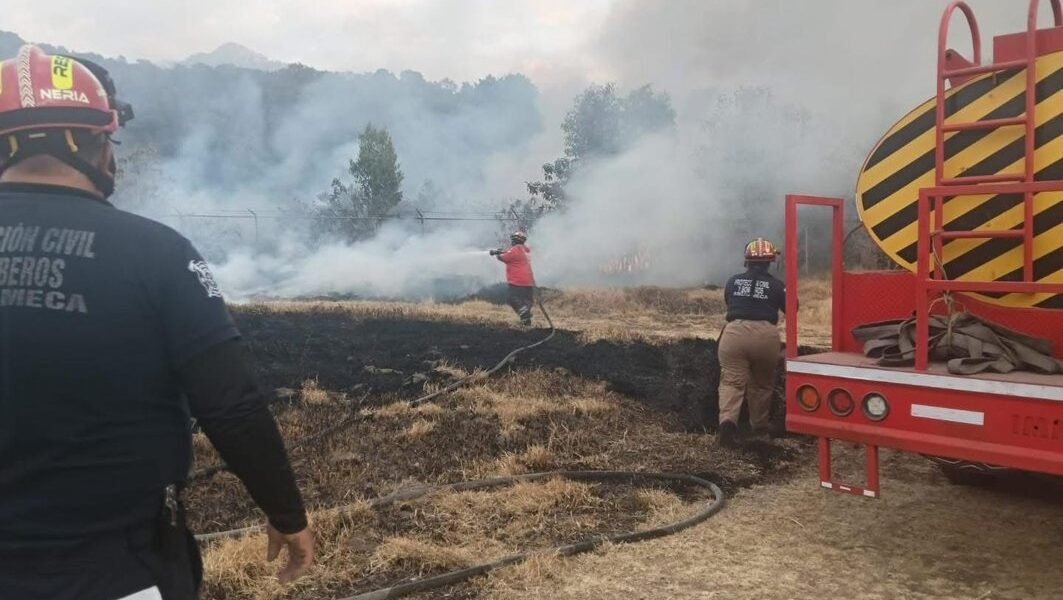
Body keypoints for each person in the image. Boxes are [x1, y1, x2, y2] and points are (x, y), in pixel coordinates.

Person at [0, 46, 313, 600]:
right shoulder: (158, 255)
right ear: (97, 146)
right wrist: (286, 512)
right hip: (117, 573)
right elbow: (232, 403)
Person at [717, 238, 786, 448]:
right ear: (770, 261)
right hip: (766, 336)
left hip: (734, 334)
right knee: (761, 384)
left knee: (731, 382)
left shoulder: (733, 281)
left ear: (746, 260)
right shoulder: (777, 285)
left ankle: (728, 424)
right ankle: (759, 428)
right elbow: (793, 308)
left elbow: (730, 303)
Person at [490, 230, 536, 326]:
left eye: (512, 240)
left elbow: (503, 258)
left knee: (512, 299)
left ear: (514, 240)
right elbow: (511, 252)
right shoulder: (525, 249)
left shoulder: (515, 250)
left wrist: (497, 253)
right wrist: (502, 250)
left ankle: (526, 315)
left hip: (517, 281)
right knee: (526, 301)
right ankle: (526, 322)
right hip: (529, 282)